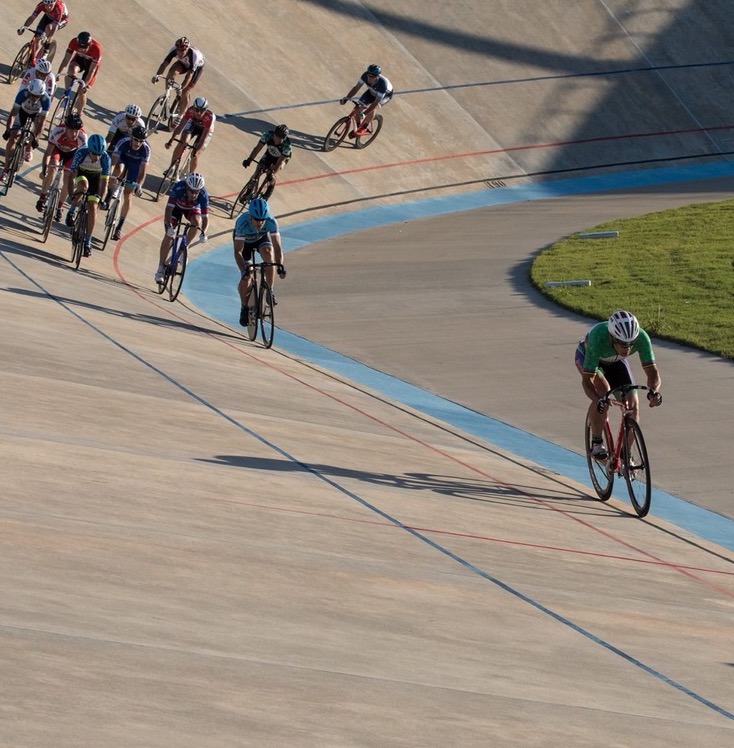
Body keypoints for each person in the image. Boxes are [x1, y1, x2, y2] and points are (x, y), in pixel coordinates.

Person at [576, 310, 662, 460]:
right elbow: (587, 381)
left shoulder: (642, 338)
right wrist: (598, 400)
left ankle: (625, 455)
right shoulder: (598, 337)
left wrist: (654, 391)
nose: (627, 349)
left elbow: (652, 372)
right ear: (612, 337)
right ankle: (597, 441)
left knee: (633, 406)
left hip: (616, 362)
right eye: (623, 344)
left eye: (631, 344)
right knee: (604, 393)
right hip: (589, 358)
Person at [233, 197, 287, 325]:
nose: (260, 223)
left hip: (261, 240)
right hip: (244, 244)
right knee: (248, 275)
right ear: (251, 217)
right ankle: (244, 307)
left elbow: (278, 249)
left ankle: (270, 290)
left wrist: (280, 266)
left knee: (269, 256)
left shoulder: (271, 222)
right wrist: (243, 271)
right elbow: (238, 252)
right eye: (257, 219)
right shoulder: (242, 223)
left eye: (263, 219)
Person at [156, 172, 209, 284]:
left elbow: (205, 219)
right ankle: (160, 268)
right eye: (191, 191)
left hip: (191, 209)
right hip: (176, 209)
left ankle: (184, 248)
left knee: (196, 222)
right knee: (169, 236)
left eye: (196, 192)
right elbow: (168, 210)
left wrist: (204, 232)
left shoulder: (203, 194)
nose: (194, 195)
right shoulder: (179, 187)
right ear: (186, 187)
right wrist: (169, 227)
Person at [65, 133, 111, 256]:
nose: (97, 157)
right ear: (89, 150)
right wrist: (71, 196)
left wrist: (101, 199)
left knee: (93, 206)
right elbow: (71, 177)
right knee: (83, 187)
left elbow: (104, 183)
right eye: (94, 154)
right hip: (82, 174)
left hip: (96, 178)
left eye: (99, 154)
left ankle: (88, 240)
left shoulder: (106, 159)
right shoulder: (81, 153)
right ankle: (72, 210)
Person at [36, 111, 87, 217]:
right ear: (66, 128)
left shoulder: (82, 137)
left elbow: (82, 159)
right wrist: (44, 170)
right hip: (57, 151)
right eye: (71, 131)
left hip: (73, 154)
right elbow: (48, 153)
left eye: (76, 131)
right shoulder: (57, 131)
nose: (74, 134)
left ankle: (60, 206)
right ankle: (42, 197)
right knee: (52, 169)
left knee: (68, 179)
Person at [0, 78, 50, 181]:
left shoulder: (46, 100)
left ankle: (28, 147)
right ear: (29, 91)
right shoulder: (23, 94)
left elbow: (42, 122)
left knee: (36, 128)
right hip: (22, 112)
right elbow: (13, 115)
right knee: (13, 137)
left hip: (36, 115)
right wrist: (8, 130)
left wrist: (36, 138)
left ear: (41, 95)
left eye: (37, 96)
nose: (34, 98)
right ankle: (5, 169)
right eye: (32, 95)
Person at [107, 125, 151, 240]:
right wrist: (110, 176)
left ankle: (119, 227)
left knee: (128, 195)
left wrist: (139, 186)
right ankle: (109, 194)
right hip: (123, 158)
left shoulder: (146, 149)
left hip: (135, 165)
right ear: (131, 137)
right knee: (118, 170)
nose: (138, 143)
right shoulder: (123, 142)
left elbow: (142, 173)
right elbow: (113, 162)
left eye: (141, 141)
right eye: (136, 140)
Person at [150, 37, 205, 122]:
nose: (180, 53)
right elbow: (164, 64)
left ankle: (180, 116)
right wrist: (157, 75)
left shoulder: (194, 56)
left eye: (182, 51)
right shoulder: (174, 50)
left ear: (187, 49)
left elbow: (189, 75)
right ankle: (167, 95)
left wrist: (182, 86)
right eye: (178, 50)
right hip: (183, 63)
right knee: (171, 72)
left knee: (185, 91)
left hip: (196, 69)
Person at [339, 63, 393, 138]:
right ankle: (359, 127)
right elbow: (356, 88)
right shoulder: (365, 75)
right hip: (372, 92)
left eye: (372, 77)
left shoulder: (382, 84)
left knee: (375, 106)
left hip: (385, 96)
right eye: (368, 75)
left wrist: (364, 113)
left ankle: (364, 127)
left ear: (377, 76)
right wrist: (347, 98)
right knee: (357, 108)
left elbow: (375, 102)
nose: (369, 78)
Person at [164, 96, 215, 175]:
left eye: (201, 111)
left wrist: (196, 150)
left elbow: (203, 139)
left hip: (205, 131)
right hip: (194, 125)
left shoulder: (209, 118)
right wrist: (171, 140)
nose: (198, 113)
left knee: (195, 155)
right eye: (197, 110)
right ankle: (171, 168)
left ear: (205, 110)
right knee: (182, 142)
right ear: (194, 108)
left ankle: (191, 175)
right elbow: (180, 128)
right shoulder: (190, 111)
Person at [240, 124, 292, 201]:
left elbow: (279, 162)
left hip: (280, 159)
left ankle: (267, 195)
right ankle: (247, 193)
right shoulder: (268, 135)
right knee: (256, 173)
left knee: (272, 174)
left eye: (279, 138)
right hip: (269, 154)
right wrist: (249, 160)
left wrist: (272, 173)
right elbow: (257, 148)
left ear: (284, 139)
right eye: (276, 136)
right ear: (274, 134)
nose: (277, 139)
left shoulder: (287, 147)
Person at [56, 31, 102, 115]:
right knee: (70, 71)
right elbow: (66, 60)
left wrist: (85, 85)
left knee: (82, 91)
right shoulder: (73, 42)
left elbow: (91, 71)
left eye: (84, 48)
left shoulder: (96, 49)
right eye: (80, 47)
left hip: (91, 66)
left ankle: (78, 115)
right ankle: (67, 95)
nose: (81, 49)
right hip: (79, 59)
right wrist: (58, 74)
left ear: (89, 45)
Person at [17, 0, 69, 65]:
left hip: (62, 20)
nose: (48, 7)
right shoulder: (41, 5)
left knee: (48, 28)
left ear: (55, 3)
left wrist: (48, 38)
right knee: (37, 38)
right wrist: (24, 27)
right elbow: (32, 17)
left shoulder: (59, 8)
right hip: (48, 16)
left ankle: (46, 52)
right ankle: (29, 61)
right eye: (46, 5)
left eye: (50, 5)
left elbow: (54, 28)